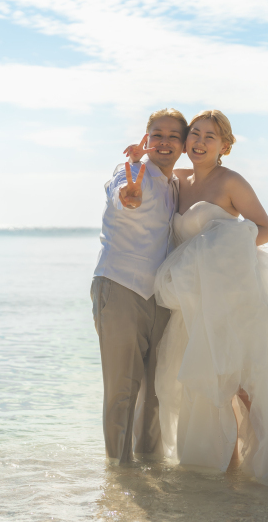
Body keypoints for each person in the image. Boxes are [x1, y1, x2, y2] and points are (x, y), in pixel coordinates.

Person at [153, 110, 268, 484]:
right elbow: (149, 169)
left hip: (233, 297)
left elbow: (266, 231)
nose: (199, 141)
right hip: (196, 304)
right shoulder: (178, 179)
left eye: (210, 136)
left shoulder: (231, 182)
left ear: (224, 146)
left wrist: (220, 249)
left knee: (244, 388)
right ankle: (226, 467)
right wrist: (135, 155)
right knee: (210, 386)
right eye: (195, 133)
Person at [91, 108, 188, 464]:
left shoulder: (173, 184)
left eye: (172, 136)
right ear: (146, 139)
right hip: (120, 288)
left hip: (160, 297)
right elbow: (123, 196)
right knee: (121, 390)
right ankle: (118, 474)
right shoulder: (133, 174)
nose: (164, 142)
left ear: (182, 144)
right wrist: (128, 196)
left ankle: (150, 470)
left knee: (157, 391)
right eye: (156, 135)